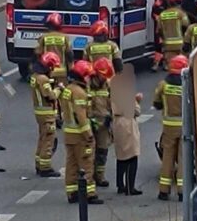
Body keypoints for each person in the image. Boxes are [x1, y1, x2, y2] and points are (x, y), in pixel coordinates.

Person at [59, 60, 103, 205]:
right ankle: (89, 194)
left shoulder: (68, 89)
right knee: (86, 164)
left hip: (69, 134)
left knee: (71, 164)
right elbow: (81, 116)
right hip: (80, 136)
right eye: (88, 76)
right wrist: (88, 135)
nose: (89, 79)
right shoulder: (79, 92)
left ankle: (72, 193)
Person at [152, 54, 187, 201]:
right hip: (185, 126)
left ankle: (164, 191)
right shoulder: (188, 84)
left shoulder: (163, 84)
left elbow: (156, 102)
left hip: (168, 127)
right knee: (183, 158)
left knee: (167, 157)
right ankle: (182, 191)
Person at [30, 51, 62, 177]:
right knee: (49, 140)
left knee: (42, 138)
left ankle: (39, 163)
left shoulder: (35, 76)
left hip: (40, 112)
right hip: (47, 114)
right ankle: (45, 168)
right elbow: (51, 96)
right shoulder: (43, 79)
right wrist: (59, 89)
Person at [89, 57, 115, 188]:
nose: (104, 78)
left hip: (104, 123)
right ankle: (88, 176)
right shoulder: (87, 83)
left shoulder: (108, 84)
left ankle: (100, 176)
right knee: (89, 151)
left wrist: (111, 116)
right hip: (90, 123)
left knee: (103, 151)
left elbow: (113, 101)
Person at [113, 88, 143, 195]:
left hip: (117, 123)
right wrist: (137, 101)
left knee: (121, 156)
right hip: (128, 124)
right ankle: (130, 187)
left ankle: (120, 185)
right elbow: (136, 111)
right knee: (132, 156)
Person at [34, 13, 72, 80]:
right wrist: (70, 67)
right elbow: (69, 54)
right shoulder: (65, 37)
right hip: (61, 70)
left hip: (46, 70)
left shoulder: (43, 37)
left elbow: (38, 53)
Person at [157, 0, 190, 69]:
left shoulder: (162, 15)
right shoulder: (181, 13)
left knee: (172, 68)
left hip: (168, 46)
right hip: (180, 45)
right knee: (182, 67)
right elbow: (186, 26)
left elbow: (159, 30)